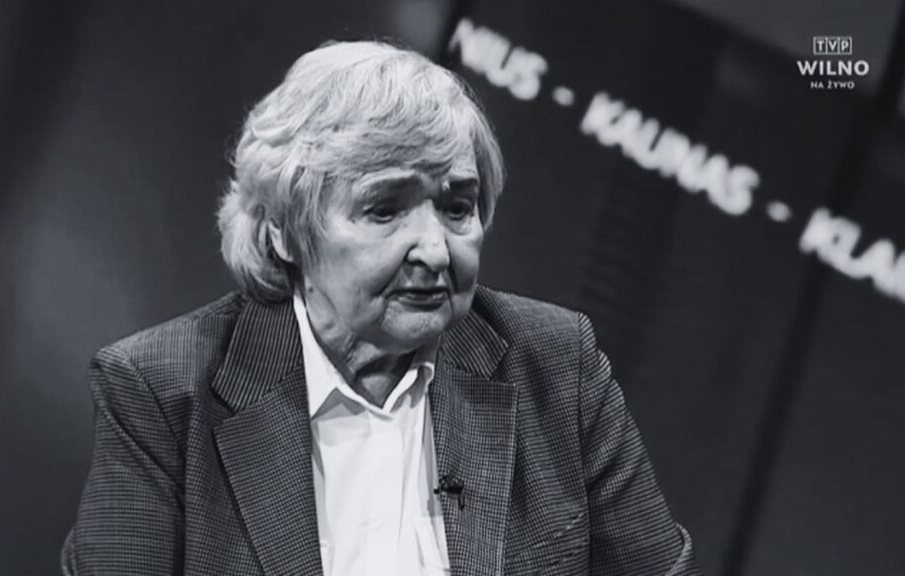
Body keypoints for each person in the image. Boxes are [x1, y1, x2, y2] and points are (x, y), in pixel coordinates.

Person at [62, 40, 699, 576]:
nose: (435, 250)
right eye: (385, 209)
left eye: (456, 207)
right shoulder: (163, 394)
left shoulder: (556, 368)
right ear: (286, 231)